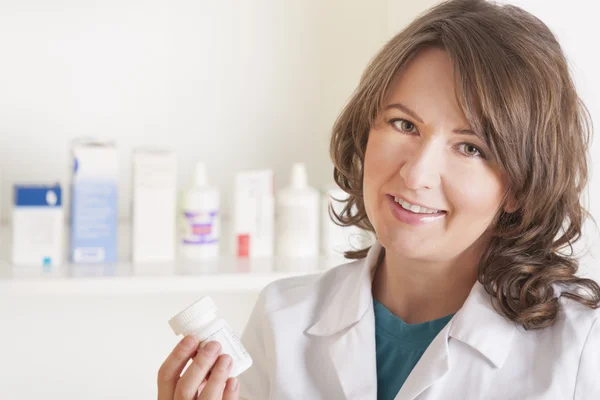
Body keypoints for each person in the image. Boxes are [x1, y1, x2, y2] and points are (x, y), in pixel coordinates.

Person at [157, 0, 600, 399]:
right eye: (404, 125)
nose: (416, 173)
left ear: (520, 187)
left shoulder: (580, 348)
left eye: (470, 148)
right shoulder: (282, 319)